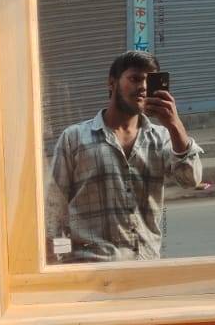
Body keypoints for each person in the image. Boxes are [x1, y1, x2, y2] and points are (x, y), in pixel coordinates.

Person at [45, 51, 203, 261]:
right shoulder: (74, 139)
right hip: (91, 268)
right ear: (112, 83)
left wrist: (175, 125)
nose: (144, 87)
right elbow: (54, 211)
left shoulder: (162, 138)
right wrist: (56, 263)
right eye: (135, 79)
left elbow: (190, 180)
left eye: (149, 80)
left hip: (145, 267)